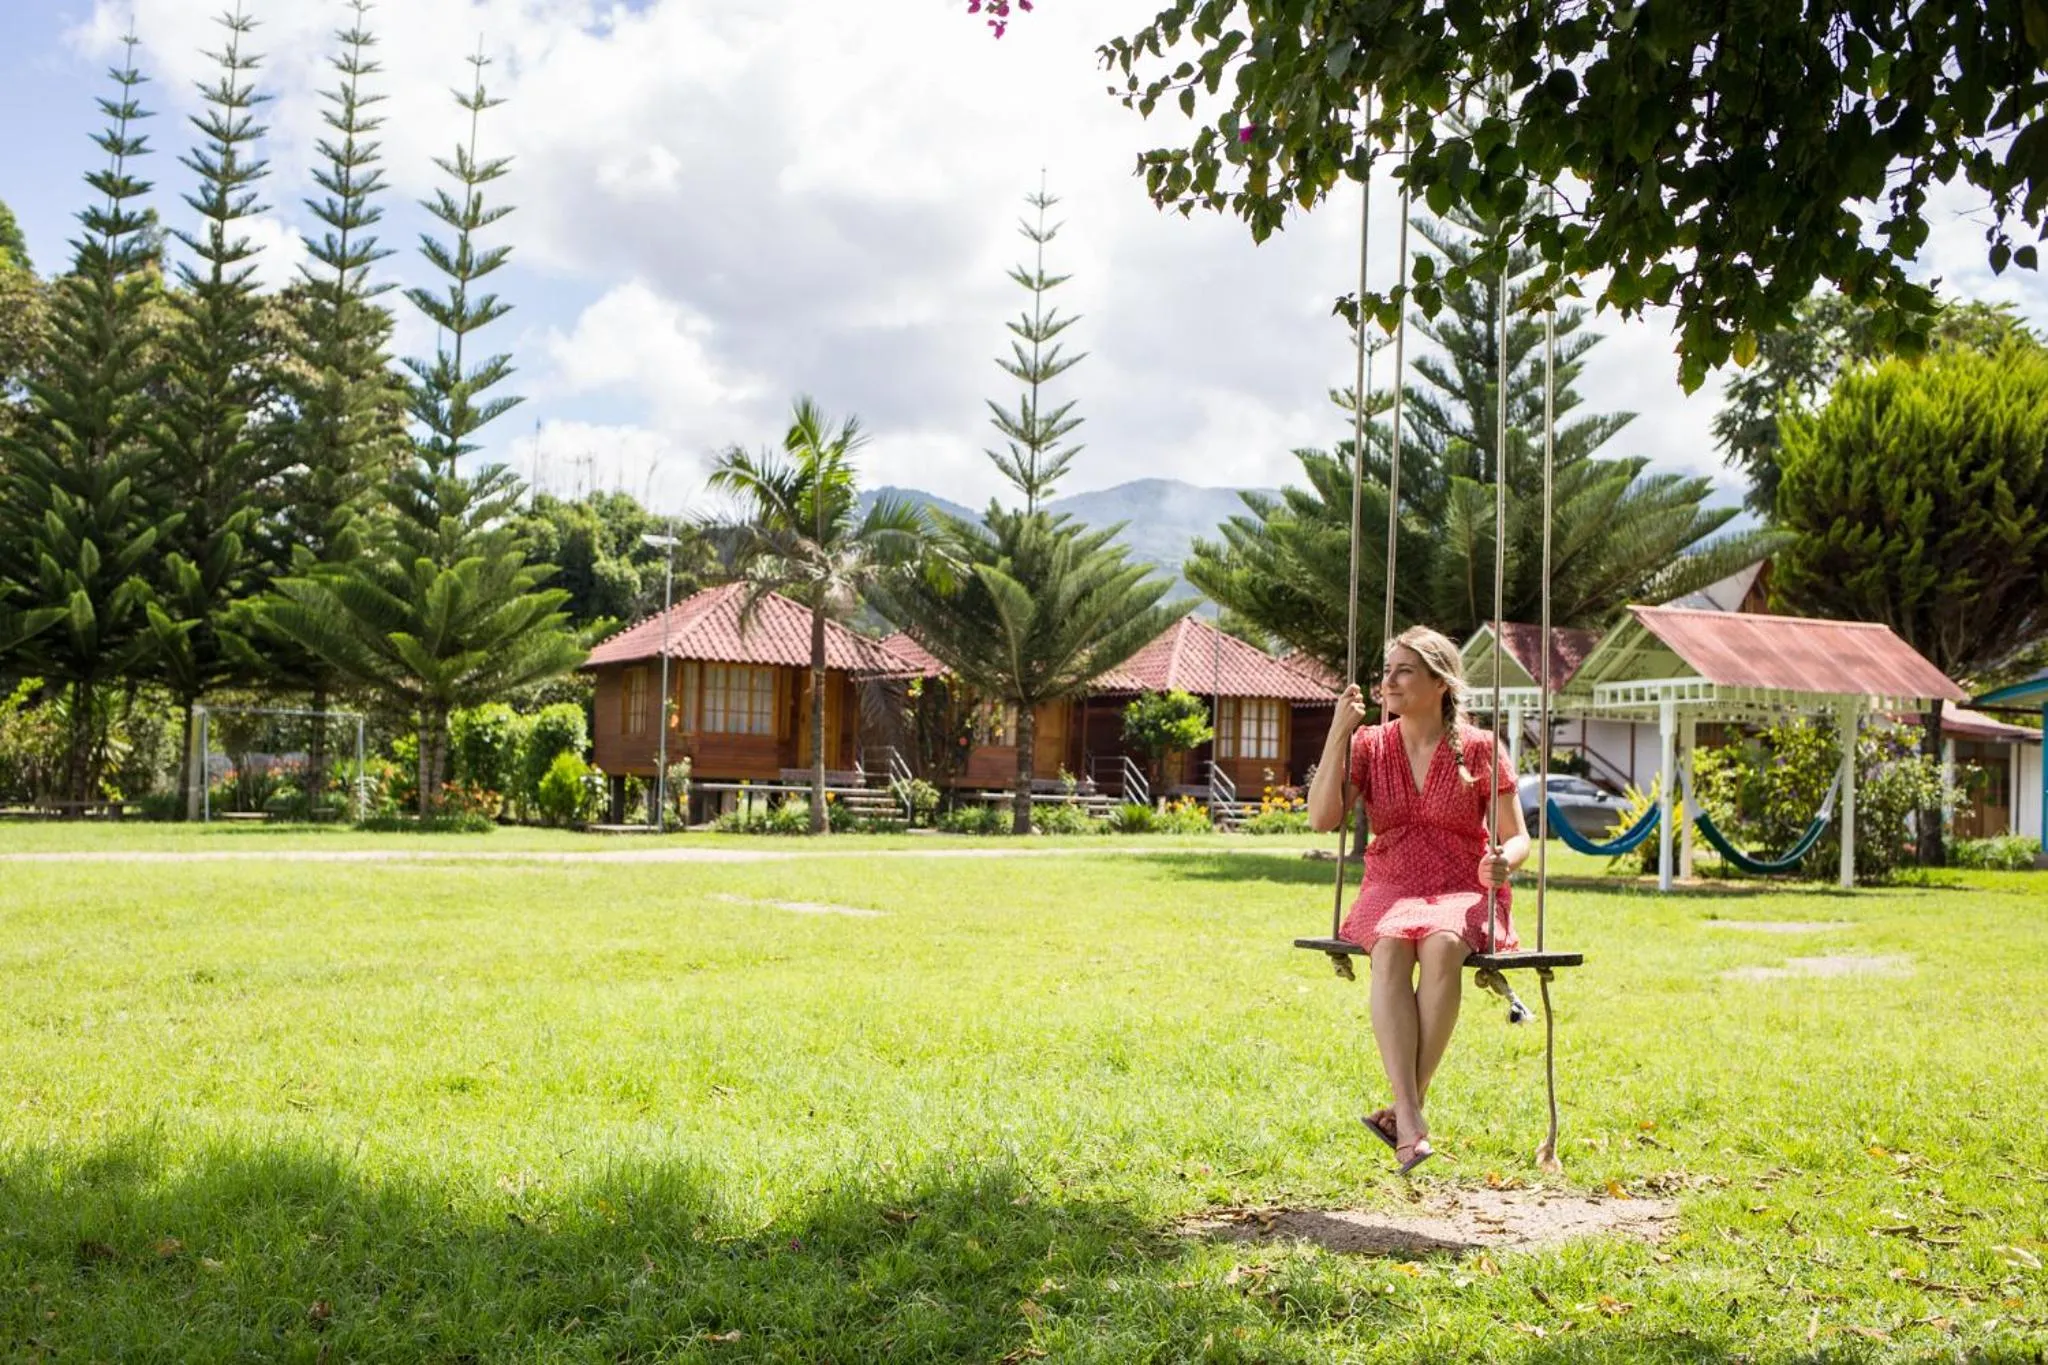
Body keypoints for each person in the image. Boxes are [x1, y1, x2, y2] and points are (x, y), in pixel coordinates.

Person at [1307, 625, 1529, 1173]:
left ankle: (1404, 1113)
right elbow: (1321, 818)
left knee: (1443, 944)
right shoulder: (1370, 745)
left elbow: (1517, 836)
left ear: (1440, 683)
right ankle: (1410, 1115)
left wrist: (1505, 861)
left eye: (1404, 671)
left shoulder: (1479, 748)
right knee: (1389, 946)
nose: (1389, 682)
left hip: (1463, 883)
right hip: (1390, 883)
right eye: (1388, 671)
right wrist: (1338, 733)